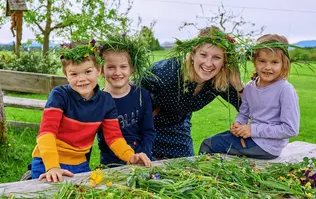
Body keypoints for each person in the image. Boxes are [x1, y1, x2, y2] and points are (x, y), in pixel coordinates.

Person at [31, 40, 151, 183]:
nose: (82, 79)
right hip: (47, 161)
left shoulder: (106, 101)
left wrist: (131, 157)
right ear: (65, 74)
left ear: (99, 70)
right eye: (74, 74)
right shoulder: (60, 95)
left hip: (80, 164)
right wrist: (52, 166)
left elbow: (114, 138)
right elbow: (46, 134)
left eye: (88, 71)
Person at [142, 26, 244, 159]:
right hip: (146, 129)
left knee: (185, 170)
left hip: (178, 130)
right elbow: (129, 96)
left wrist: (238, 85)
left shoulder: (220, 81)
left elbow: (252, 110)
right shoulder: (165, 72)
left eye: (217, 57)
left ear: (224, 61)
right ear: (193, 54)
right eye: (203, 55)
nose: (208, 63)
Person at [199, 34, 300, 159]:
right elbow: (243, 113)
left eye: (274, 62)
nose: (267, 67)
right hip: (251, 138)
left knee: (208, 145)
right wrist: (238, 124)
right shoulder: (250, 87)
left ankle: (203, 177)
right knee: (213, 142)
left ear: (284, 64)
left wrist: (252, 129)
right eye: (262, 61)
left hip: (267, 146)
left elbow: (290, 129)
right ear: (254, 62)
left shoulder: (285, 90)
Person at [97, 33, 156, 166]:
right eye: (111, 67)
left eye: (123, 67)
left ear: (132, 69)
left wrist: (141, 154)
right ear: (101, 70)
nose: (117, 72)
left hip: (141, 159)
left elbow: (148, 131)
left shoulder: (141, 95)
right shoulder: (98, 101)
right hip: (111, 164)